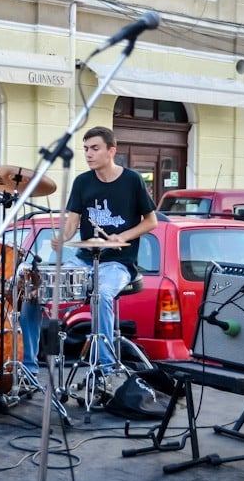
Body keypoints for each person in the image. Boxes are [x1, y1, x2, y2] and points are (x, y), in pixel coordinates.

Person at [39, 126, 157, 376]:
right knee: (35, 289)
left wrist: (122, 236)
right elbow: (72, 221)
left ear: (111, 150)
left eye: (94, 148)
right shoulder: (82, 182)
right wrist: (62, 237)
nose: (88, 154)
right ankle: (27, 363)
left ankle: (104, 366)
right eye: (85, 149)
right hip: (83, 260)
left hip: (119, 263)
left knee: (102, 296)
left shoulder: (132, 180)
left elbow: (151, 221)